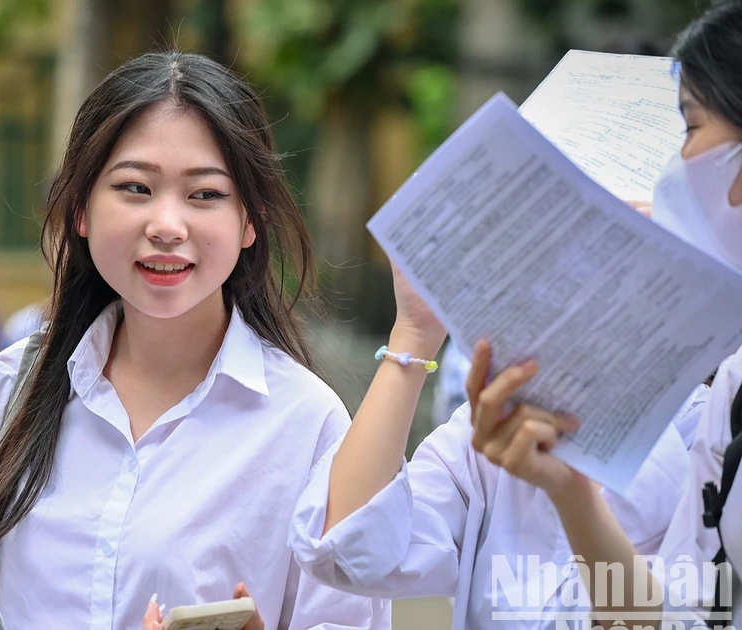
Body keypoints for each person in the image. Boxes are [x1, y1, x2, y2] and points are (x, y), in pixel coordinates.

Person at [0, 51, 392, 630]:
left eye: (205, 194)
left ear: (250, 221)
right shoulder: (20, 379)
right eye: (135, 188)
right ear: (81, 210)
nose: (167, 225)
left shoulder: (306, 423)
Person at [286, 44, 713, 630]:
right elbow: (345, 552)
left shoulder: (713, 428)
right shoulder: (488, 437)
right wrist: (415, 332)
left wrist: (575, 494)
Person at [470, 2, 742, 626]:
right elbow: (684, 618)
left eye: (691, 127)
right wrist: (571, 489)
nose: (677, 168)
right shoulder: (733, 389)